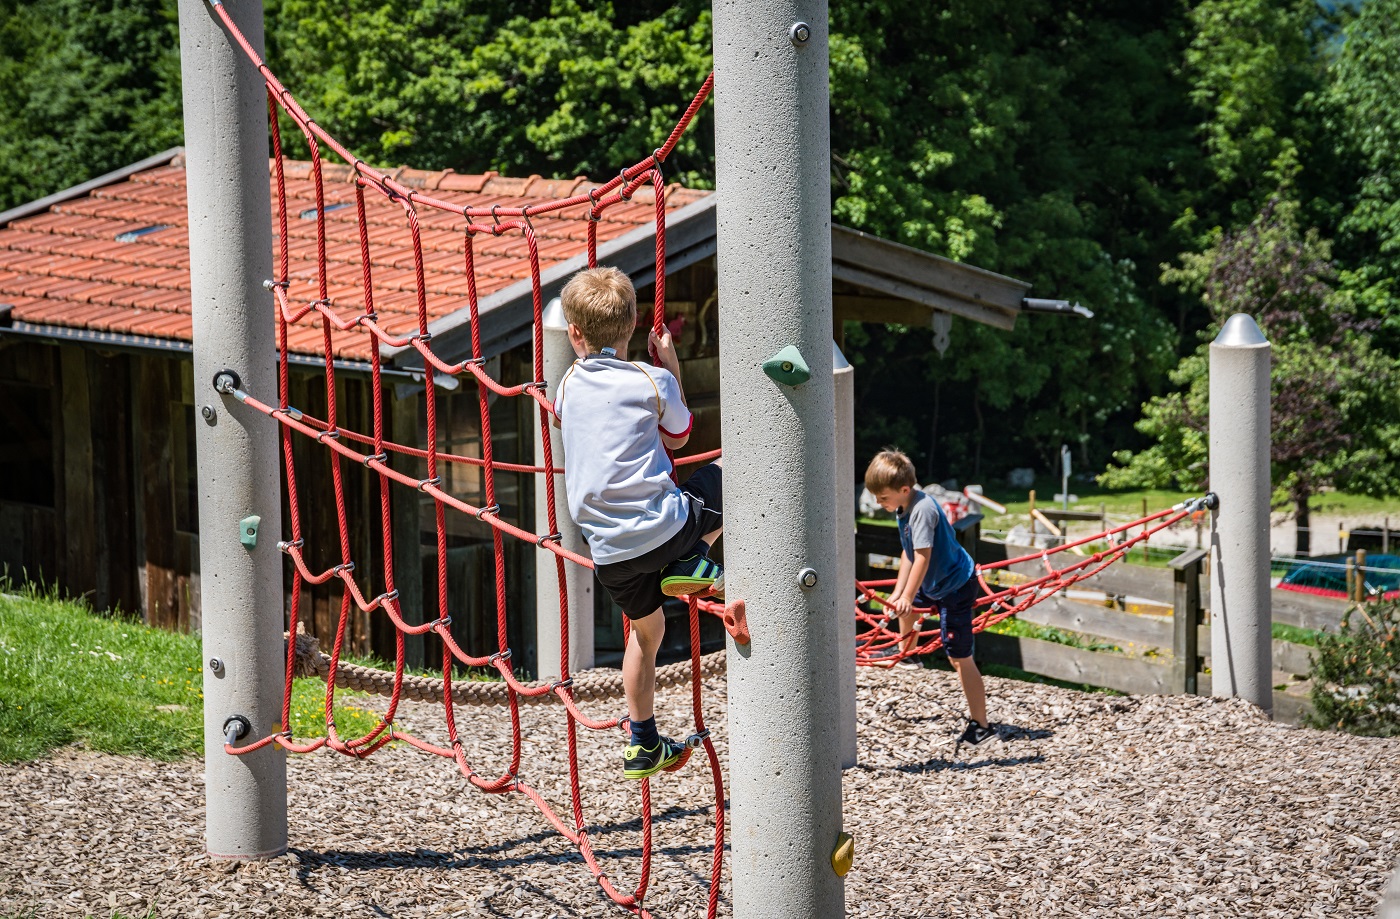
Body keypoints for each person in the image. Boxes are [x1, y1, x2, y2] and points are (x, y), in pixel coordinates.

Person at [552, 265, 724, 780]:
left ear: (574, 334)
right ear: (633, 324)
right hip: (663, 529)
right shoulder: (653, 379)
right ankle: (695, 558)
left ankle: (643, 740)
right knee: (732, 470)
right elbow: (680, 437)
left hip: (607, 551)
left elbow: (574, 421)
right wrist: (670, 362)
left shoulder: (565, 386)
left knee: (645, 633)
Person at [864, 449, 995, 749]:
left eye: (882, 497)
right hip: (934, 582)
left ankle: (982, 724)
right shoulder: (903, 507)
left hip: (956, 586)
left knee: (958, 657)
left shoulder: (922, 510)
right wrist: (899, 594)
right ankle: (908, 655)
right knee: (903, 611)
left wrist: (908, 595)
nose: (878, 503)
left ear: (904, 490)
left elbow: (923, 556)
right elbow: (908, 552)